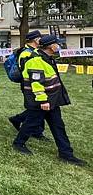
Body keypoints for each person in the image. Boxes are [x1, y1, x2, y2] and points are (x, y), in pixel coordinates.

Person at [12, 35, 86, 165]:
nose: (59, 46)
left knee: (58, 126)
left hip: (51, 100)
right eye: (57, 44)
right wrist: (43, 101)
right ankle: (18, 144)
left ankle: (66, 154)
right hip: (41, 101)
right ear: (51, 46)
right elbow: (36, 83)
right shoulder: (36, 60)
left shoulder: (47, 59)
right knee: (31, 123)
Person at [8, 30, 48, 141]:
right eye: (40, 38)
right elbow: (30, 72)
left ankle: (22, 122)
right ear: (36, 39)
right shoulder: (26, 53)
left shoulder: (34, 51)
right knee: (36, 109)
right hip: (29, 85)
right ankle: (35, 131)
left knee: (37, 109)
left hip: (36, 84)